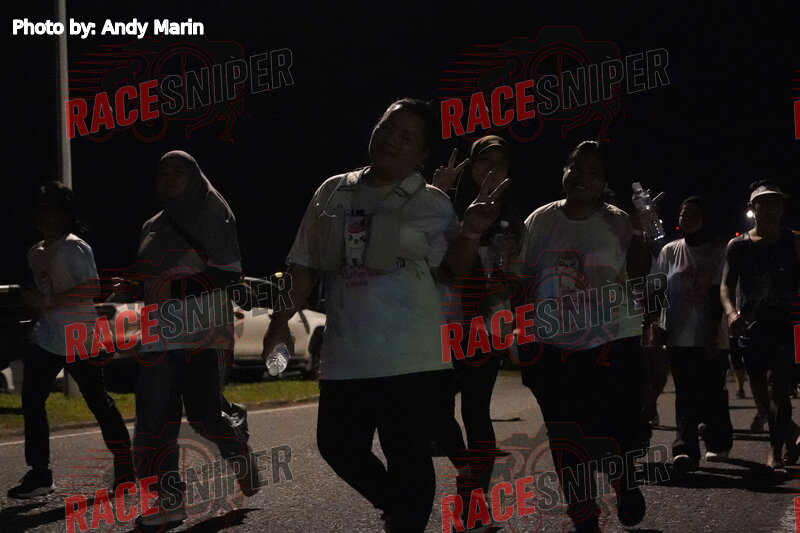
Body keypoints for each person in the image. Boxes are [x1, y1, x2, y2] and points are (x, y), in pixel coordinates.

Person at [262, 99, 507, 533]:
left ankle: (405, 517)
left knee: (407, 453)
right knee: (338, 447)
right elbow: (304, 265)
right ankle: (402, 508)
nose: (392, 140)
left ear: (422, 155)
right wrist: (279, 322)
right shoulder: (332, 192)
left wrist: (470, 232)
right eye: (387, 128)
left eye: (407, 137)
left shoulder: (431, 203)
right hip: (346, 355)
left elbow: (451, 271)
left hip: (412, 357)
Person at [511, 140, 651, 532]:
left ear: (605, 181)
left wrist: (641, 234)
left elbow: (639, 277)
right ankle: (584, 516)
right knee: (564, 436)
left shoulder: (618, 221)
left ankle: (624, 483)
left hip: (611, 343)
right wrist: (521, 331)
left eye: (594, 171)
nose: (582, 177)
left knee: (615, 429)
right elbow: (520, 277)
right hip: (553, 346)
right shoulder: (540, 220)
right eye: (577, 167)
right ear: (564, 170)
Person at [127, 151, 259, 527]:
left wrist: (174, 288)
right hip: (158, 333)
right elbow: (150, 276)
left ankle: (237, 449)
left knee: (204, 415)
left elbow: (228, 274)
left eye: (178, 172)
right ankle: (169, 500)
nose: (168, 178)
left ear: (195, 177)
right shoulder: (151, 225)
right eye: (162, 172)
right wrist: (137, 286)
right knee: (154, 419)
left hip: (204, 332)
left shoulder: (213, 213)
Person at [8, 182, 132, 499]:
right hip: (47, 337)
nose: (41, 212)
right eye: (39, 206)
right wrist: (35, 313)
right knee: (32, 401)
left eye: (49, 207)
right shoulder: (35, 252)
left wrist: (47, 302)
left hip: (80, 337)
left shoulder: (75, 247)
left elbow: (91, 288)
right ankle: (40, 474)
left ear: (64, 214)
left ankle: (126, 465)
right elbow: (45, 294)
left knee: (97, 401)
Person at [431, 135, 525, 517]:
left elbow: (520, 276)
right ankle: (467, 470)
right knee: (434, 408)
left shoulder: (512, 219)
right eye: (485, 161)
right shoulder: (446, 207)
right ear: (471, 167)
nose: (492, 170)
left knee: (475, 411)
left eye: (501, 163)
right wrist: (437, 192)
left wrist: (511, 269)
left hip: (486, 324)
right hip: (440, 319)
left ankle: (474, 500)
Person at [721, 180, 800, 472]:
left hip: (786, 324)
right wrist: (731, 313)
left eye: (776, 203)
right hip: (750, 326)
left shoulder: (794, 241)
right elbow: (726, 285)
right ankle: (791, 435)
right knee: (761, 394)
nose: (771, 209)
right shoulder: (738, 246)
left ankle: (775, 452)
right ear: (752, 208)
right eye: (763, 203)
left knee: (779, 388)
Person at [654, 196, 734, 471]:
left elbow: (718, 290)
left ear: (706, 219)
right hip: (679, 333)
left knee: (712, 390)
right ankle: (685, 448)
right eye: (683, 214)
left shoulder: (719, 249)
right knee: (685, 392)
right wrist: (657, 325)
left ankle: (718, 441)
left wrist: (712, 334)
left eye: (694, 215)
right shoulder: (669, 251)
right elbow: (659, 289)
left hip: (711, 333)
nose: (686, 219)